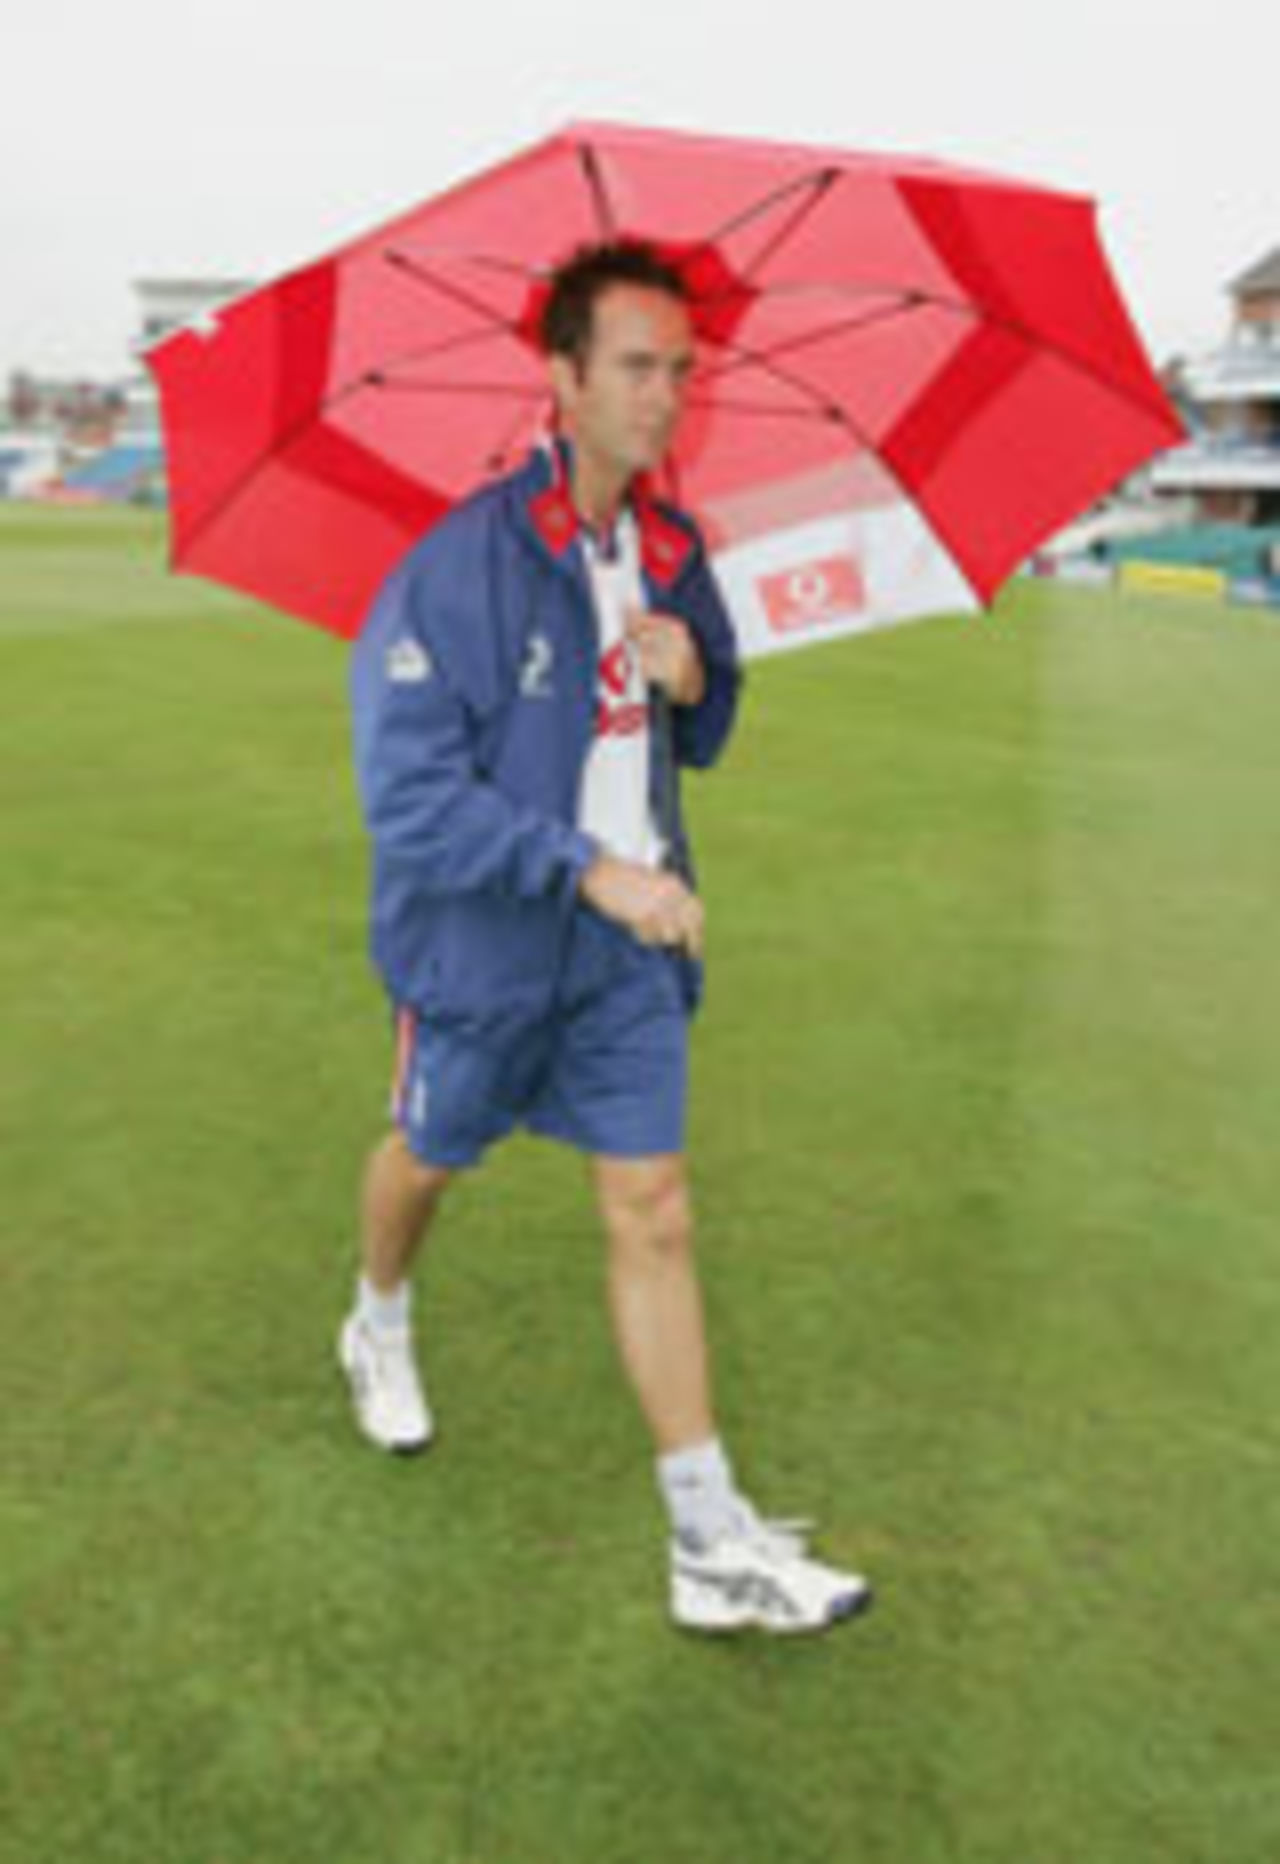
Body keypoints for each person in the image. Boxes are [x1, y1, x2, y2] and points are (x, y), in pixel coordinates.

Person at [341, 240, 871, 1635]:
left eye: (682, 372)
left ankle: (707, 1545)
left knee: (655, 1209)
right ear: (562, 375)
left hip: (626, 954)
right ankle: (377, 1315)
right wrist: (585, 871)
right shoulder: (455, 566)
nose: (665, 397)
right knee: (430, 1155)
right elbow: (408, 800)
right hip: (489, 949)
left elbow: (706, 726)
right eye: (637, 367)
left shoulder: (675, 547)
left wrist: (695, 677)